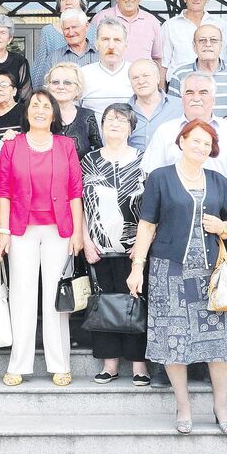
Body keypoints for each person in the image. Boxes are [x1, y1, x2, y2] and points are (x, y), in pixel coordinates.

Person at [128, 118, 227, 434]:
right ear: (182, 141)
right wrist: (137, 267)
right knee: (173, 339)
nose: (201, 147)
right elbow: (147, 225)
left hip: (210, 273)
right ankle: (183, 406)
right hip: (169, 270)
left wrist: (223, 226)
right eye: (196, 140)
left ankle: (221, 405)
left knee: (218, 342)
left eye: (207, 143)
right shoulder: (160, 178)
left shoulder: (218, 180)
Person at [0, 89, 84, 387]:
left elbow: (75, 191)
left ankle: (60, 364)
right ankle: (18, 364)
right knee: (22, 295)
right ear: (27, 112)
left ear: (54, 113)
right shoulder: (12, 145)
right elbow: (4, 191)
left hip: (59, 229)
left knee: (56, 297)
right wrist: (3, 231)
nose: (40, 110)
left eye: (46, 106)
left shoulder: (66, 145)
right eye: (35, 105)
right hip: (21, 229)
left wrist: (77, 231)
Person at [82, 104, 149, 386]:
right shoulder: (89, 160)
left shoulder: (144, 160)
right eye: (110, 119)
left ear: (131, 128)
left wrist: (144, 244)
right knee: (104, 302)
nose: (115, 124)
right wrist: (85, 240)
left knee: (136, 302)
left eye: (122, 120)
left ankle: (139, 363)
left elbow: (153, 206)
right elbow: (81, 204)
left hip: (135, 247)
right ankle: (109, 363)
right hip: (98, 247)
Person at [141, 71, 227, 209]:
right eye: (189, 92)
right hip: (175, 215)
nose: (196, 98)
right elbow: (152, 178)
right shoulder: (165, 132)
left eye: (203, 92)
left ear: (214, 99)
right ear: (182, 99)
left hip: (222, 216)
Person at [167, 23, 227, 117]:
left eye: (213, 40)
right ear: (194, 46)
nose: (208, 44)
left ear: (221, 45)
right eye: (202, 40)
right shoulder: (179, 74)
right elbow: (172, 109)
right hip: (193, 126)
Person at [90, 0, 162, 67]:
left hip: (141, 76)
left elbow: (158, 58)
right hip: (108, 75)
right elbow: (89, 52)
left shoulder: (152, 22)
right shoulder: (99, 19)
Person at [161, 0, 226, 80]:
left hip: (213, 84)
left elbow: (225, 60)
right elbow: (163, 64)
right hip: (178, 84)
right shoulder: (170, 26)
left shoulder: (220, 25)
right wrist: (162, 89)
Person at [33, 0, 96, 82]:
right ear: (59, 6)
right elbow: (40, 67)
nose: (68, 2)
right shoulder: (48, 31)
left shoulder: (93, 30)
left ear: (81, 4)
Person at [44, 63, 102, 159]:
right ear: (48, 87)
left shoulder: (87, 116)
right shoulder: (39, 114)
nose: (61, 87)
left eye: (67, 83)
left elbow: (97, 153)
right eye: (55, 82)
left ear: (78, 89)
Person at [81, 18, 134, 121]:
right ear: (96, 44)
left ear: (126, 44)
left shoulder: (136, 74)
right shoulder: (82, 75)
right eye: (105, 39)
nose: (111, 46)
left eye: (117, 40)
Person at [33, 8, 100, 89]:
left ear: (86, 27)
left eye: (74, 27)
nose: (71, 33)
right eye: (66, 28)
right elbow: (46, 90)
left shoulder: (100, 56)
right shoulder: (53, 58)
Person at [127, 58, 181, 151]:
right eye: (135, 78)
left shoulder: (180, 106)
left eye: (146, 76)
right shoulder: (124, 112)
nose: (141, 81)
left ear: (158, 78)